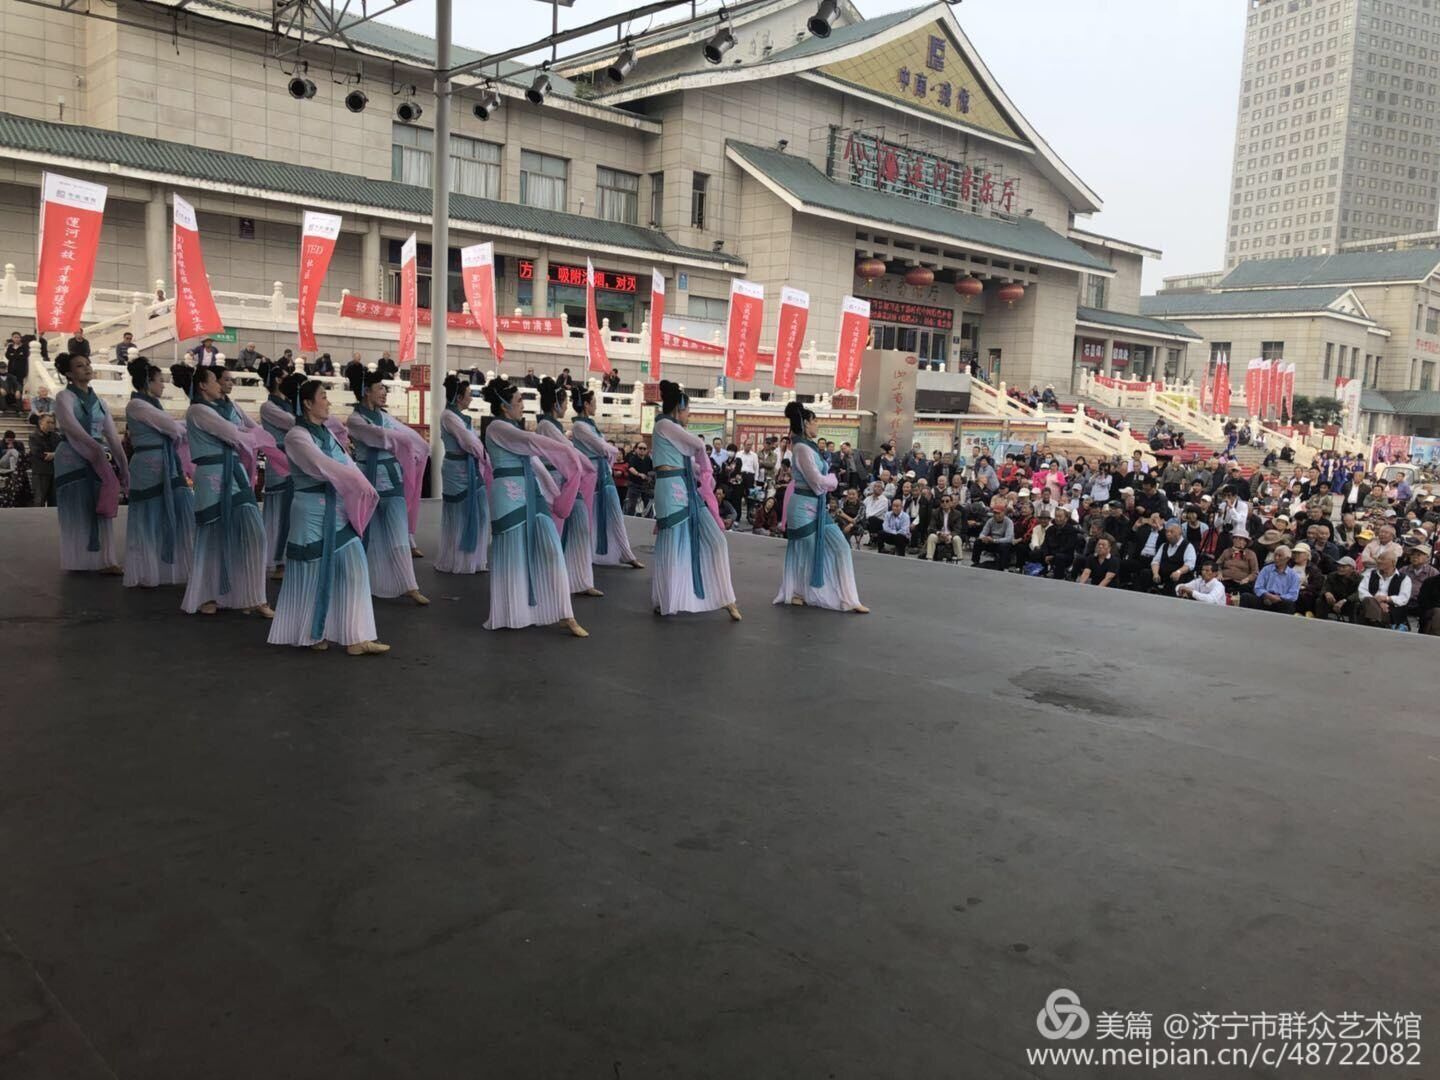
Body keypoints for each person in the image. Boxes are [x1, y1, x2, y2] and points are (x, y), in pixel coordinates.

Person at [268, 375, 387, 654]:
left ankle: (356, 637)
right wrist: (356, 482)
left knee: (355, 564)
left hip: (335, 506)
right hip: (310, 510)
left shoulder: (327, 433)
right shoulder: (297, 436)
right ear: (308, 403)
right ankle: (310, 633)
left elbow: (345, 461)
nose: (328, 402)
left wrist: (365, 486)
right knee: (311, 574)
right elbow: (320, 465)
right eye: (323, 396)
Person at [481, 376, 589, 636]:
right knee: (513, 553)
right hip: (508, 494)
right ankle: (512, 612)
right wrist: (568, 452)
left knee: (551, 546)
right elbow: (531, 442)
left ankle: (564, 612)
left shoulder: (513, 430)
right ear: (504, 405)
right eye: (519, 400)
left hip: (531, 491)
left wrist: (555, 491)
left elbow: (535, 461)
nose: (523, 405)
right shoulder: (497, 428)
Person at [181, 366, 272, 617]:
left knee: (254, 531)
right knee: (212, 537)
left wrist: (255, 437)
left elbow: (252, 432)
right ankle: (207, 595)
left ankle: (254, 596)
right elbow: (233, 434)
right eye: (217, 380)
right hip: (211, 474)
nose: (222, 385)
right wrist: (247, 435)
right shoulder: (197, 410)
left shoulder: (230, 407)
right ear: (203, 385)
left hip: (234, 472)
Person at [650, 380, 741, 620]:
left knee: (716, 540)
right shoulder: (664, 424)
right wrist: (705, 470)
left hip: (686, 488)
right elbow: (698, 444)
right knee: (673, 546)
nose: (689, 414)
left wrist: (702, 472)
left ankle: (724, 596)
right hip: (671, 488)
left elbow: (686, 459)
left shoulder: (669, 429)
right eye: (688, 409)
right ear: (678, 409)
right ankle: (667, 598)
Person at [346, 367, 431, 605]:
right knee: (368, 534)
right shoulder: (356, 420)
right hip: (366, 481)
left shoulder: (384, 417)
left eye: (384, 388)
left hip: (391, 478)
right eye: (379, 388)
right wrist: (402, 441)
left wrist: (418, 450)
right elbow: (380, 437)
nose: (384, 392)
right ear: (366, 391)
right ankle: (368, 581)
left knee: (398, 532)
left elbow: (410, 438)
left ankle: (409, 585)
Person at [773, 401, 867, 612]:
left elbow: (818, 482)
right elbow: (816, 481)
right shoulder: (801, 448)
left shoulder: (808, 447)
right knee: (806, 552)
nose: (818, 425)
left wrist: (828, 481)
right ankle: (798, 592)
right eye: (815, 421)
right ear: (806, 423)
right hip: (802, 507)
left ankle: (848, 597)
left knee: (841, 547)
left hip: (818, 506)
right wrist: (832, 480)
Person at [52, 352, 128, 573]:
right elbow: (70, 426)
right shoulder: (64, 397)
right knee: (77, 505)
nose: (86, 368)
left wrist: (123, 465)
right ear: (69, 373)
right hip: (72, 455)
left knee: (101, 501)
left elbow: (112, 436)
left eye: (87, 364)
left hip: (97, 455)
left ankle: (106, 560)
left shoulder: (100, 402)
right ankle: (79, 560)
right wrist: (94, 449)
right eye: (79, 366)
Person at [123, 357, 194, 588]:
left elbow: (174, 427)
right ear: (148, 381)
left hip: (163, 462)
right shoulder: (137, 405)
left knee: (167, 513)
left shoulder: (150, 405)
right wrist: (182, 427)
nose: (163, 385)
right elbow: (172, 427)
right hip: (149, 465)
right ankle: (147, 571)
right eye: (159, 380)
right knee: (149, 518)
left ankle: (164, 569)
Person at [534, 378, 602, 598]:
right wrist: (587, 464)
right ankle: (553, 584)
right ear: (556, 404)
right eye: (563, 402)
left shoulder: (551, 425)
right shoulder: (546, 426)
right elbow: (567, 449)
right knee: (556, 533)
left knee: (578, 527)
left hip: (565, 480)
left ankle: (579, 580)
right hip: (554, 484)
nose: (566, 406)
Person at [570, 384, 644, 569]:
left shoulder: (588, 425)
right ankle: (586, 554)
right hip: (590, 474)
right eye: (594, 402)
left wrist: (608, 453)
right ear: (586, 404)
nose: (596, 405)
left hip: (601, 472)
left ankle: (624, 553)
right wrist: (613, 451)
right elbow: (601, 446)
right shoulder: (579, 426)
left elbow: (603, 447)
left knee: (613, 511)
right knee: (589, 515)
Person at [435, 374, 492, 575]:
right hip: (457, 470)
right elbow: (469, 442)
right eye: (468, 394)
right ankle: (460, 561)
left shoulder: (456, 416)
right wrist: (487, 459)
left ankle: (475, 560)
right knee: (460, 515)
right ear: (459, 398)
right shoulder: (449, 416)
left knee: (480, 512)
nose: (471, 398)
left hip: (469, 466)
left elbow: (472, 443)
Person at [259, 367, 299, 580]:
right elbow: (292, 423)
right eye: (284, 377)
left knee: (290, 509)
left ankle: (284, 557)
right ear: (276, 380)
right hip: (278, 460)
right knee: (279, 510)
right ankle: (276, 560)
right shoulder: (268, 407)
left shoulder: (289, 404)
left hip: (293, 458)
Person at [1355, 551, 1412, 628]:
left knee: (1367, 610)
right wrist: (1377, 603)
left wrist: (1386, 598)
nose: (1379, 561)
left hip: (1390, 610)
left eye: (1382, 559)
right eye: (1378, 558)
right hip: (1369, 605)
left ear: (1393, 562)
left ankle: (1374, 622)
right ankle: (1377, 624)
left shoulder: (1404, 579)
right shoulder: (1370, 574)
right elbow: (1362, 592)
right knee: (1368, 600)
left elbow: (1403, 598)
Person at [1240, 544, 1301, 614]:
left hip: (1280, 601)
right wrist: (1267, 595)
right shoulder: (1266, 569)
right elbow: (1257, 587)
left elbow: (1293, 595)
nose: (1276, 558)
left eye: (1280, 556)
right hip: (1264, 598)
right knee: (1246, 597)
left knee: (1289, 604)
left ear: (1287, 558)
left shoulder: (1293, 575)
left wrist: (1278, 598)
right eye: (1275, 555)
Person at [1150, 519, 1196, 597]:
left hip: (1179, 575)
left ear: (1179, 533)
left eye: (1171, 532)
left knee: (1176, 579)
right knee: (1146, 573)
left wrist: (1179, 572)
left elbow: (1189, 564)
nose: (1168, 534)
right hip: (1164, 574)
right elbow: (1155, 561)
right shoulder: (1164, 545)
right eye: (1167, 532)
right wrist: (1155, 573)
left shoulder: (1188, 546)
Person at [28, 412, 59, 506]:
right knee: (39, 500)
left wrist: (54, 454)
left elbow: (62, 450)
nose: (51, 425)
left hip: (54, 472)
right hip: (41, 472)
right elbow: (39, 453)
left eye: (52, 422)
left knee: (54, 501)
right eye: (48, 422)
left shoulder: (56, 436)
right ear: (41, 423)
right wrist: (54, 454)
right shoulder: (34, 436)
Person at [1316, 556, 1361, 621]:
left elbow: (1359, 593)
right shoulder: (1332, 575)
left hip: (1349, 602)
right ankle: (1320, 621)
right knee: (1320, 600)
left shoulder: (1359, 578)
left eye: (1343, 567)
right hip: (1334, 600)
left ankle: (1353, 624)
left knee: (1355, 604)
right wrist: (1327, 593)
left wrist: (1345, 601)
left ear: (1352, 568)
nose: (1340, 568)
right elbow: (1325, 587)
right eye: (1339, 566)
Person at [972, 501, 1014, 570]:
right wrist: (984, 538)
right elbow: (982, 534)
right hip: (991, 541)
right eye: (994, 513)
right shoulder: (990, 520)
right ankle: (975, 562)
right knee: (978, 542)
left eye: (998, 513)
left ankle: (1004, 567)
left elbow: (1009, 538)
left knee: (1005, 546)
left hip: (1001, 543)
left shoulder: (1009, 522)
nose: (996, 515)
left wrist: (994, 540)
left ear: (1003, 513)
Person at [925, 493, 963, 561]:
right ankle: (929, 558)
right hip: (939, 535)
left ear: (951, 503)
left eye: (947, 501)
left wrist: (950, 536)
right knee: (931, 537)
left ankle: (959, 559)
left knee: (957, 539)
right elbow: (931, 527)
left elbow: (958, 529)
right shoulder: (935, 512)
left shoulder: (957, 514)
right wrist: (939, 533)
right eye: (942, 501)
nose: (945, 503)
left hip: (951, 536)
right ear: (940, 503)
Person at [624, 440, 653, 517]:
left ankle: (648, 520)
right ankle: (628, 519)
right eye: (640, 448)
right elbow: (631, 468)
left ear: (646, 450)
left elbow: (651, 469)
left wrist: (650, 477)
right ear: (636, 449)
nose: (642, 450)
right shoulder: (633, 458)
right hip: (634, 484)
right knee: (631, 505)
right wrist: (639, 474)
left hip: (645, 485)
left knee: (648, 504)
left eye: (644, 448)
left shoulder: (648, 459)